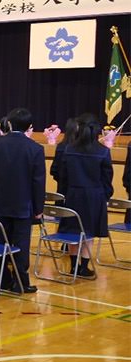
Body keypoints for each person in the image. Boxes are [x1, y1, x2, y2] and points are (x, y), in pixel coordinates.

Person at [0, 107, 45, 293]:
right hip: (24, 204)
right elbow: (38, 182)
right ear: (29, 127)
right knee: (21, 244)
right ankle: (20, 282)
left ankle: (2, 279)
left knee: (1, 241)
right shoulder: (35, 149)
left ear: (9, 124)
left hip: (2, 202)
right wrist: (39, 208)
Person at [53, 113, 112, 278]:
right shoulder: (103, 152)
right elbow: (107, 179)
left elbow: (63, 176)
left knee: (73, 230)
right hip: (94, 196)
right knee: (89, 233)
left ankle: (73, 266)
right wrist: (105, 196)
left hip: (73, 194)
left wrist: (66, 193)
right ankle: (84, 267)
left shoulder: (69, 149)